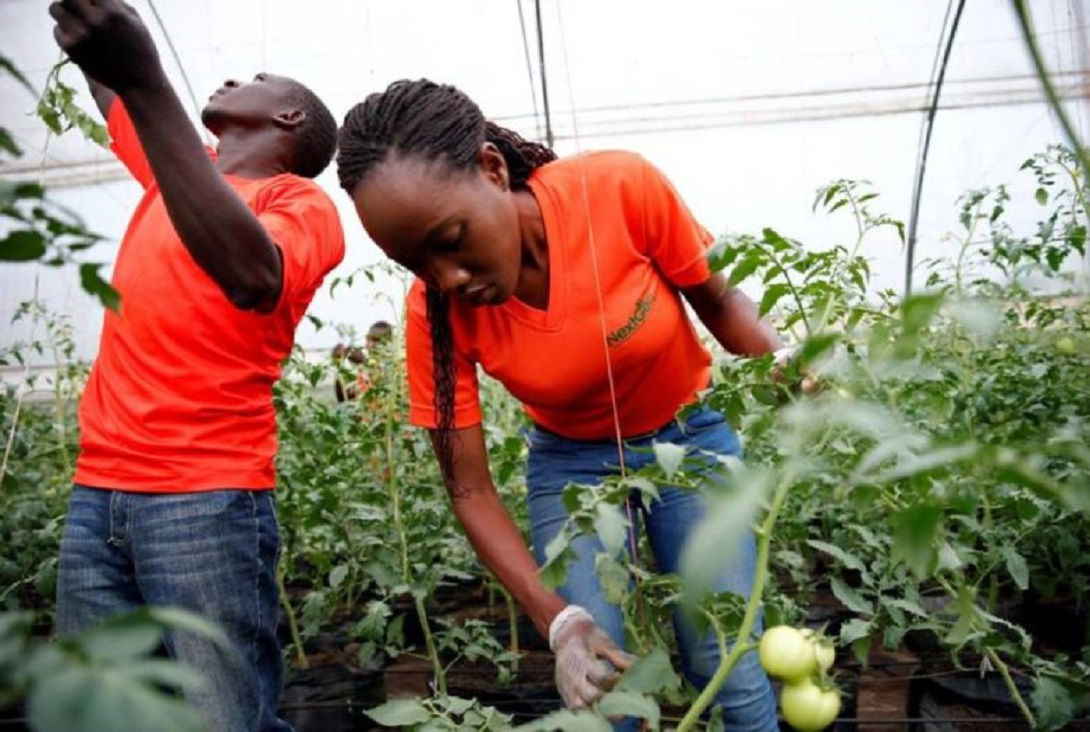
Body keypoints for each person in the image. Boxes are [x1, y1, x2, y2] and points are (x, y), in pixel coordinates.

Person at [336, 78, 782, 730]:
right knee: (601, 688)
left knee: (727, 661)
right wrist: (560, 621)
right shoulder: (434, 313)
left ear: (491, 169)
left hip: (692, 437)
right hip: (572, 469)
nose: (446, 278)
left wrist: (788, 366)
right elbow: (468, 491)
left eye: (452, 238)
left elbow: (718, 299)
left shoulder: (618, 188)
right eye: (415, 263)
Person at [49, 1, 345, 730]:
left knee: (221, 716)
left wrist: (149, 79)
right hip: (98, 491)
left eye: (260, 79)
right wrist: (110, 48)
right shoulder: (174, 176)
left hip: (204, 499)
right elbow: (109, 76)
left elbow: (251, 273)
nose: (236, 76)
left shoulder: (299, 201)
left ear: (290, 122)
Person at [332, 320, 394, 403]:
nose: (370, 345)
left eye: (376, 340)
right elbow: (345, 399)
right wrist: (339, 365)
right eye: (368, 339)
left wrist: (365, 362)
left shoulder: (395, 367)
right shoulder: (362, 370)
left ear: (389, 342)